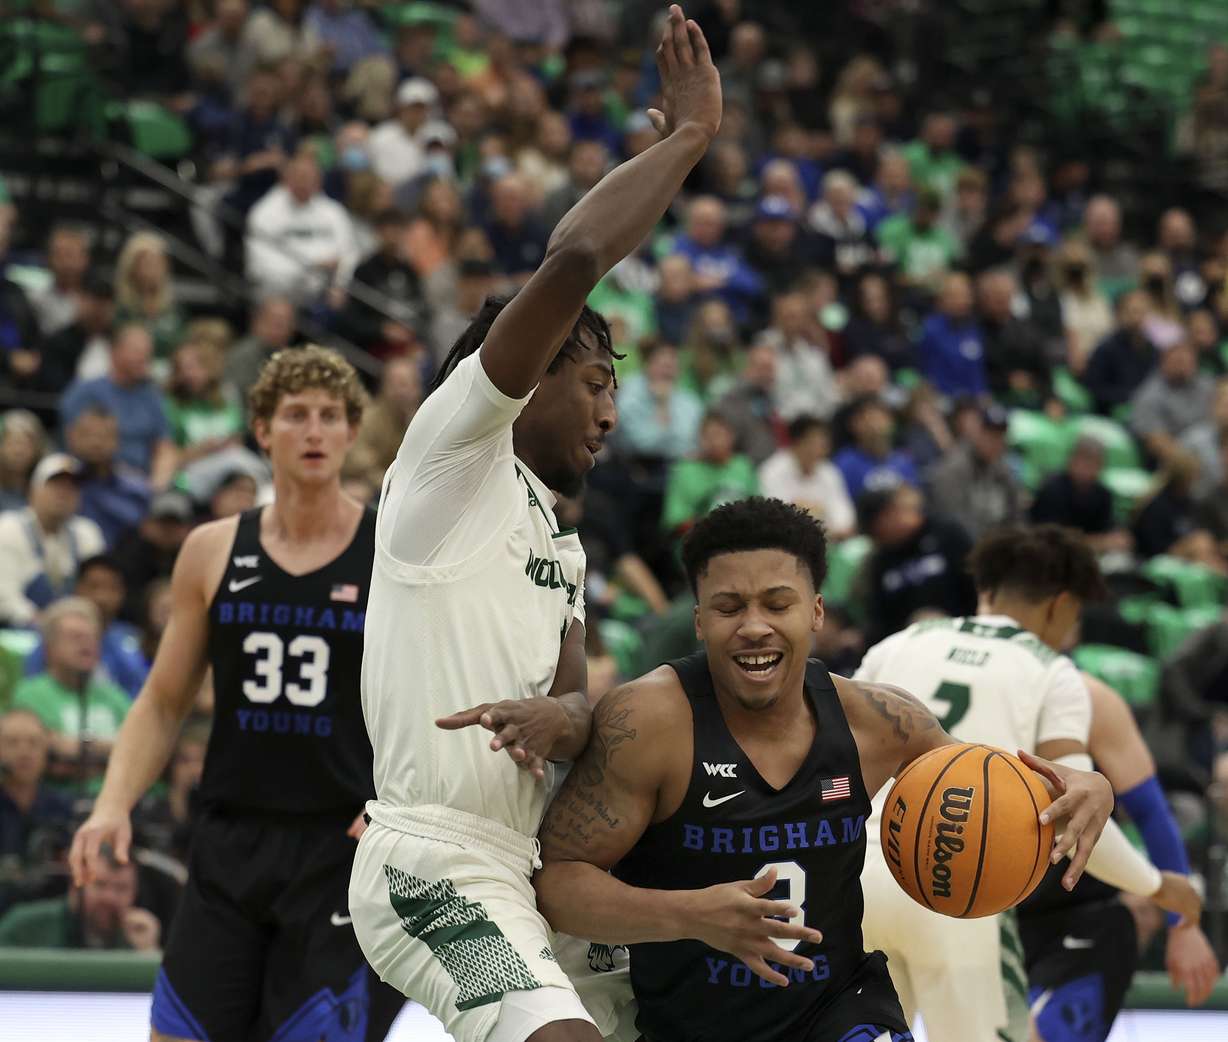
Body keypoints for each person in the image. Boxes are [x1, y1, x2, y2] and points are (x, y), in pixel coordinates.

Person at [347, 9, 721, 1042]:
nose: (611, 412)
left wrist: (568, 717)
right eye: (595, 380)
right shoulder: (450, 458)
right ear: (532, 373)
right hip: (429, 864)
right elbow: (573, 259)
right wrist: (686, 141)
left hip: (530, 865)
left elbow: (568, 702)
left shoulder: (558, 535)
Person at [532, 498, 1114, 1042]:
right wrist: (690, 914)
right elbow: (557, 884)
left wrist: (1088, 786)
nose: (754, 625)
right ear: (699, 621)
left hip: (838, 1008)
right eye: (729, 607)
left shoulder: (882, 722)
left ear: (815, 611)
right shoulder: (647, 722)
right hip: (690, 1023)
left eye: (777, 604)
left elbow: (992, 793)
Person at [69, 346, 402, 1041]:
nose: (313, 431)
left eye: (329, 417)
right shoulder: (213, 549)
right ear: (261, 431)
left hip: (337, 843)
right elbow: (162, 702)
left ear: (349, 433)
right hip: (229, 838)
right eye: (295, 415)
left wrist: (401, 805)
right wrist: (111, 805)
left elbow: (431, 699)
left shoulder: (390, 552)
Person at [856, 524, 1201, 1042]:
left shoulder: (897, 644)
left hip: (861, 879)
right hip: (960, 891)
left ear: (986, 589)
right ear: (1061, 606)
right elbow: (1078, 815)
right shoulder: (1051, 671)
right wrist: (1157, 885)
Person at [1019, 673, 1222, 1042]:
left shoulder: (1085, 694)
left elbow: (1149, 811)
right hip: (993, 903)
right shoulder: (1074, 690)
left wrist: (1180, 920)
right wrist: (1166, 895)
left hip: (1071, 906)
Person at [14, 597, 131, 788]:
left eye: (91, 637)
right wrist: (110, 753)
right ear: (49, 649)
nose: (86, 644)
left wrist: (82, 748)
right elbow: (54, 755)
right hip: (57, 806)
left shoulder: (114, 696)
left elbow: (139, 748)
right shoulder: (30, 695)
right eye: (75, 637)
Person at [0, 454, 106, 627]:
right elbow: (4, 596)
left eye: (72, 487)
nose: (64, 492)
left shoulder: (87, 533)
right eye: (55, 485)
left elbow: (97, 592)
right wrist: (47, 627)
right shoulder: (9, 527)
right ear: (33, 491)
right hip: (19, 632)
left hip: (74, 630)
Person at [25, 554, 148, 699]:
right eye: (94, 586)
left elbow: (140, 692)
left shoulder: (129, 639)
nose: (103, 597)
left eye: (113, 588)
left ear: (123, 593)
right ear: (78, 588)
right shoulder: (51, 638)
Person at [0, 850, 160, 951]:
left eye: (121, 888)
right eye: (100, 885)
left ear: (135, 894)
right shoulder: (24, 926)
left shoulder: (135, 934)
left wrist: (148, 951)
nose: (110, 897)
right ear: (76, 886)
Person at [757, 415, 856, 540]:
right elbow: (775, 516)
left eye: (824, 440)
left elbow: (841, 508)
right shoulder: (772, 470)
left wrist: (840, 528)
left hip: (829, 539)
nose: (822, 445)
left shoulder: (829, 471)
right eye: (815, 439)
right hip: (787, 541)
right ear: (797, 442)